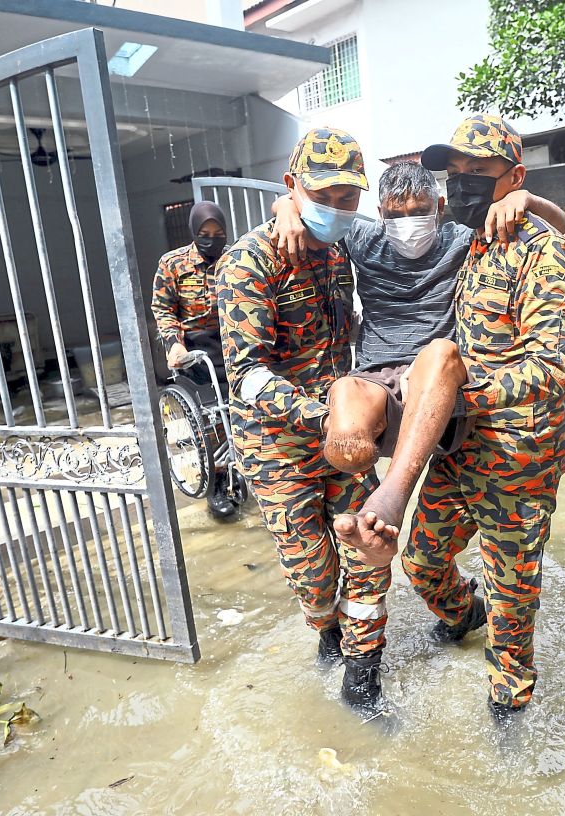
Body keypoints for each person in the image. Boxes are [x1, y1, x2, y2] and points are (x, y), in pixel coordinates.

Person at [271, 163, 565, 568]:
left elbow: (561, 224)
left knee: (439, 353)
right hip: (376, 378)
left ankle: (391, 500)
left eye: (419, 211)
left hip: (434, 380)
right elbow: (309, 207)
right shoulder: (362, 239)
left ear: (440, 207)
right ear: (380, 214)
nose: (407, 222)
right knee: (343, 401)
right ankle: (370, 530)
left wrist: (525, 199)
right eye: (395, 215)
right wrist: (285, 208)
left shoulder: (462, 236)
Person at [403, 114, 565, 723]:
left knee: (512, 590)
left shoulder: (541, 253)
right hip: (463, 444)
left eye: (479, 173)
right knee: (420, 559)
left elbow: (551, 368)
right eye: (456, 174)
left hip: (519, 453)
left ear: (514, 177)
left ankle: (511, 699)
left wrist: (456, 397)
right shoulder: (474, 240)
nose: (463, 185)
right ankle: (461, 614)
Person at [216, 127, 389, 712]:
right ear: (292, 187)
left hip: (344, 437)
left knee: (368, 546)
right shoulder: (248, 261)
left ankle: (363, 672)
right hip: (277, 446)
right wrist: (326, 416)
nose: (338, 210)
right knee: (313, 572)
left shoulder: (342, 249)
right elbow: (248, 374)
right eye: (324, 197)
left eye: (349, 199)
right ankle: (327, 630)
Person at [151, 200, 239, 520]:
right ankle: (216, 485)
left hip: (233, 342)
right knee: (212, 417)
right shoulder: (172, 264)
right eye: (205, 233)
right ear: (193, 231)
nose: (212, 238)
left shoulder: (236, 258)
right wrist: (174, 345)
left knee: (244, 409)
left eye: (218, 233)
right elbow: (163, 310)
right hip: (194, 351)